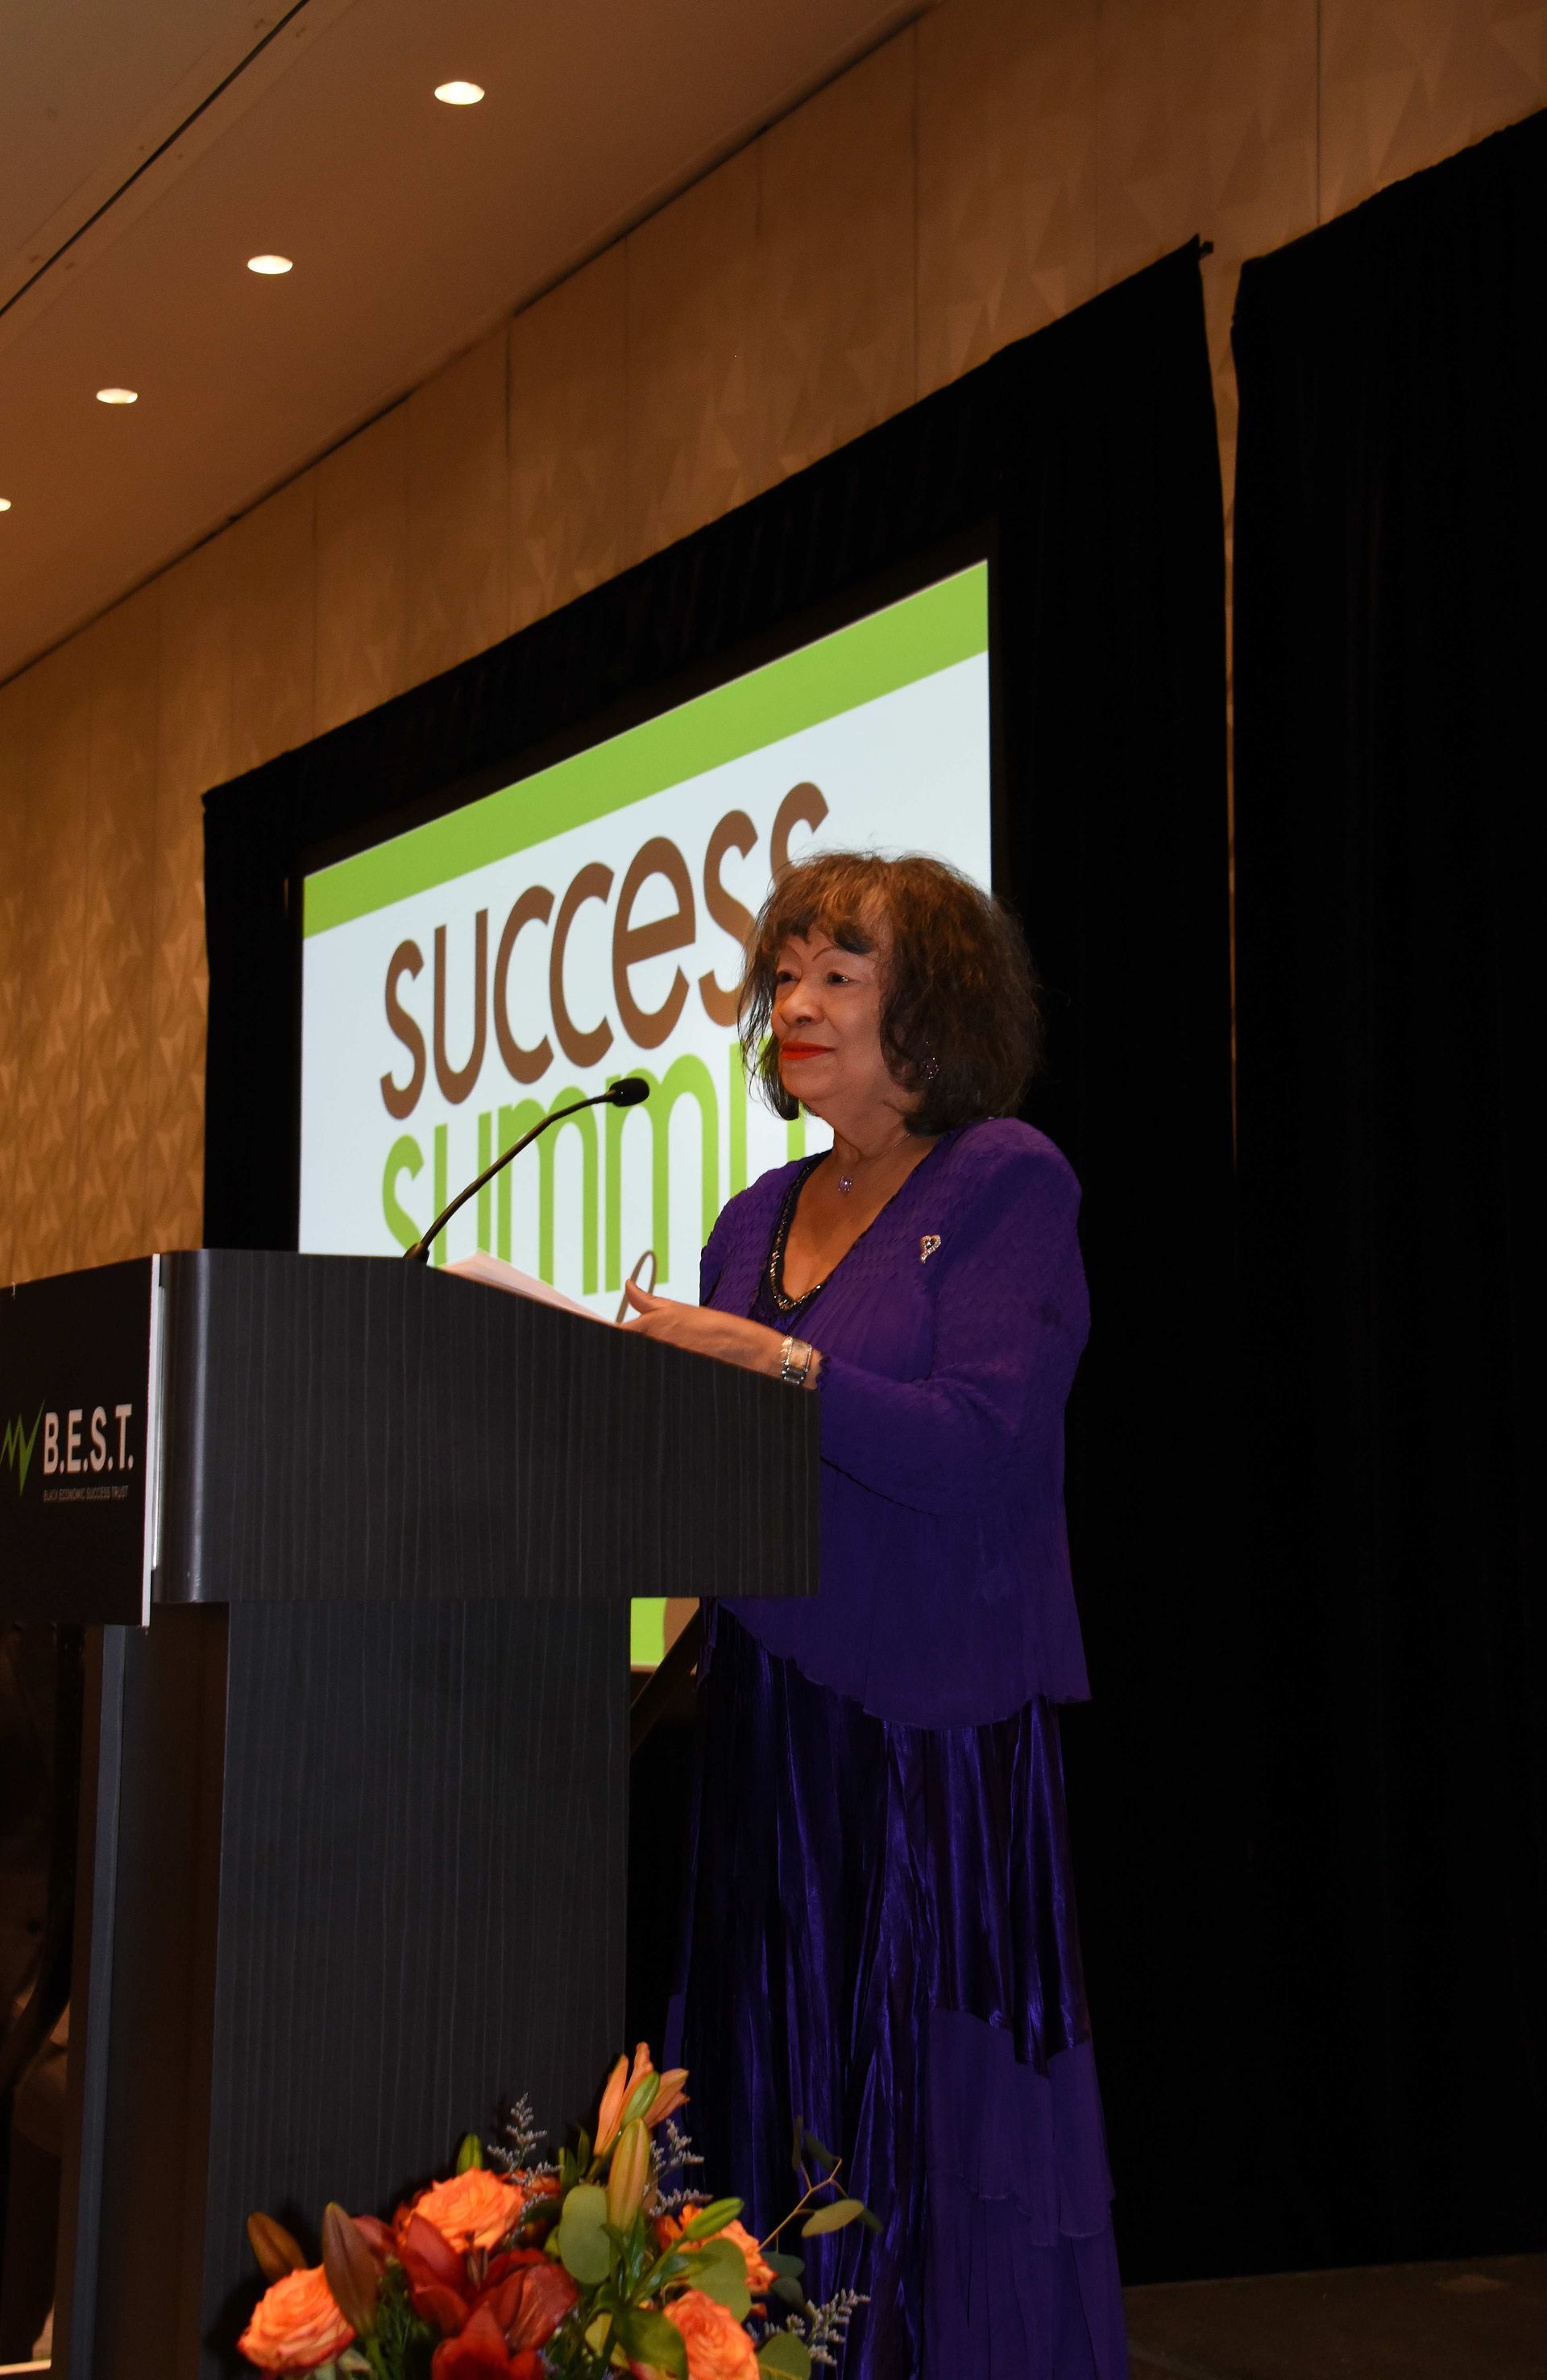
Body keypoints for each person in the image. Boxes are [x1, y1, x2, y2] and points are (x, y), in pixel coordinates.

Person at [623, 851, 1127, 2379]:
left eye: (839, 974)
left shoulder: (1007, 1181)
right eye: (784, 974)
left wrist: (775, 1364)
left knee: (920, 2130)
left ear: (934, 1008)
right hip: (761, 1730)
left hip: (930, 1745)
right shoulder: (745, 1221)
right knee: (763, 2106)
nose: (797, 1001)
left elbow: (981, 1441)